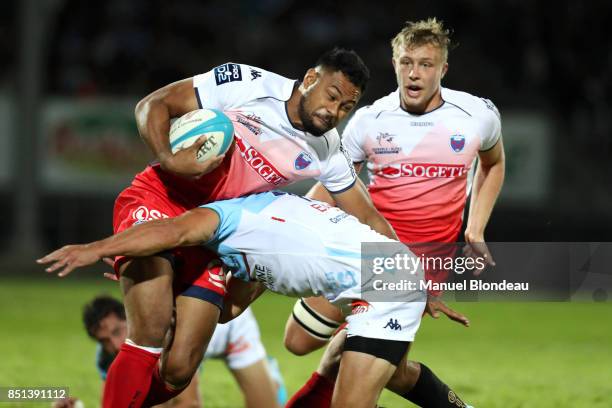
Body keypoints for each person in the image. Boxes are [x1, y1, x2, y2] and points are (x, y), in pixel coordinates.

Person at [103, 47, 397, 407]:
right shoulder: (246, 84)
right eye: (331, 96)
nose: (332, 112)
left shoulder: (326, 149)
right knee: (150, 328)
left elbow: (367, 217)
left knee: (179, 371)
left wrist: (408, 274)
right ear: (309, 79)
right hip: (162, 201)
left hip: (212, 235)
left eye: (344, 108)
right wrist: (170, 160)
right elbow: (153, 104)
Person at [39, 190, 464, 408]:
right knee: (392, 371)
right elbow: (230, 309)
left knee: (350, 400)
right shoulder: (239, 257)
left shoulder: (222, 219)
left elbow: (167, 232)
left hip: (386, 284)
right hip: (376, 280)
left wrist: (97, 248)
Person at [284, 18, 505, 408]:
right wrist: (290, 222)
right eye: (406, 63)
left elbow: (494, 163)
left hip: (421, 260)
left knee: (369, 367)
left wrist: (475, 229)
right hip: (362, 247)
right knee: (300, 340)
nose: (414, 73)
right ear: (394, 64)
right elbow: (335, 185)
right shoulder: (370, 120)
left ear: (443, 70)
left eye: (425, 64)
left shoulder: (477, 115)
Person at [51, 296, 284, 408]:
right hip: (186, 344)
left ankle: (269, 377)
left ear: (131, 319)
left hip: (227, 327)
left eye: (117, 331)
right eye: (104, 340)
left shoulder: (161, 332)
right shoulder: (106, 359)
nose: (115, 345)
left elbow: (189, 404)